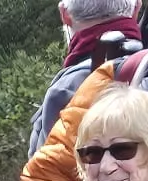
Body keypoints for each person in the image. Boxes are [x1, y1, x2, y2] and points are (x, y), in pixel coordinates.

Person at [33, 1, 142, 161]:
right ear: (136, 8)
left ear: (65, 15)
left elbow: (46, 177)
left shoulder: (65, 90)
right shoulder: (143, 70)